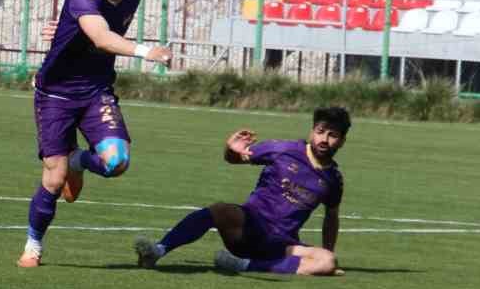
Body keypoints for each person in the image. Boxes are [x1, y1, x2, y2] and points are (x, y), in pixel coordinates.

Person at [19, 0, 171, 268]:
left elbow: (95, 29)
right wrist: (146, 51)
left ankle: (78, 161)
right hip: (55, 94)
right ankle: (33, 245)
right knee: (55, 180)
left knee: (116, 163)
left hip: (96, 92)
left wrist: (62, 30)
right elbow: (102, 37)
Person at [134, 107, 349, 277]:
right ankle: (158, 250)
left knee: (327, 261)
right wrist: (231, 149)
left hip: (282, 245)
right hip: (250, 228)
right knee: (220, 210)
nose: (324, 139)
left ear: (342, 141)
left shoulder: (333, 179)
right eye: (320, 131)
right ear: (312, 130)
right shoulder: (283, 150)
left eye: (332, 135)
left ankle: (245, 265)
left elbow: (331, 217)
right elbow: (236, 158)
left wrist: (329, 252)